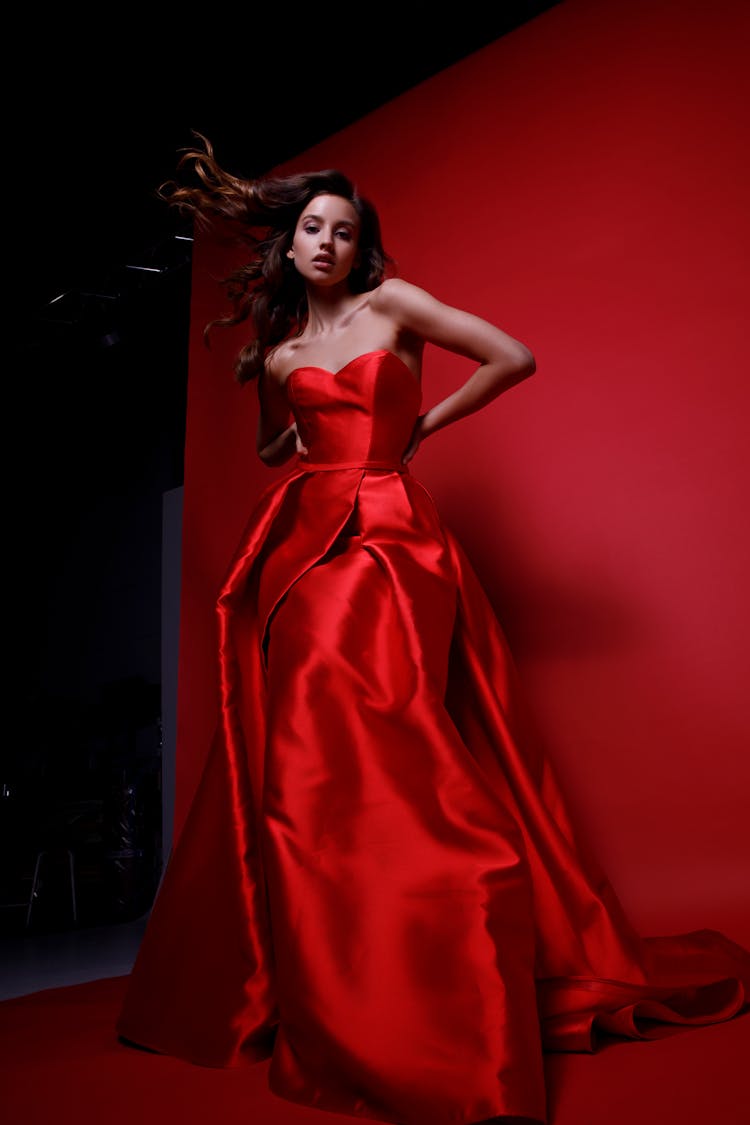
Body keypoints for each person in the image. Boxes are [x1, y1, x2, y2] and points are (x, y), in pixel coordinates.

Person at [117, 133, 749, 1125]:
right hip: (299, 548)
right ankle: (342, 968)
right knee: (308, 753)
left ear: (362, 249)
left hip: (392, 538)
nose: (326, 243)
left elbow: (514, 356)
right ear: (287, 245)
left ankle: (429, 950)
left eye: (343, 232)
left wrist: (420, 427)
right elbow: (276, 447)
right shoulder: (276, 354)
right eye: (312, 229)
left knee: (388, 726)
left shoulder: (392, 308)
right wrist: (299, 428)